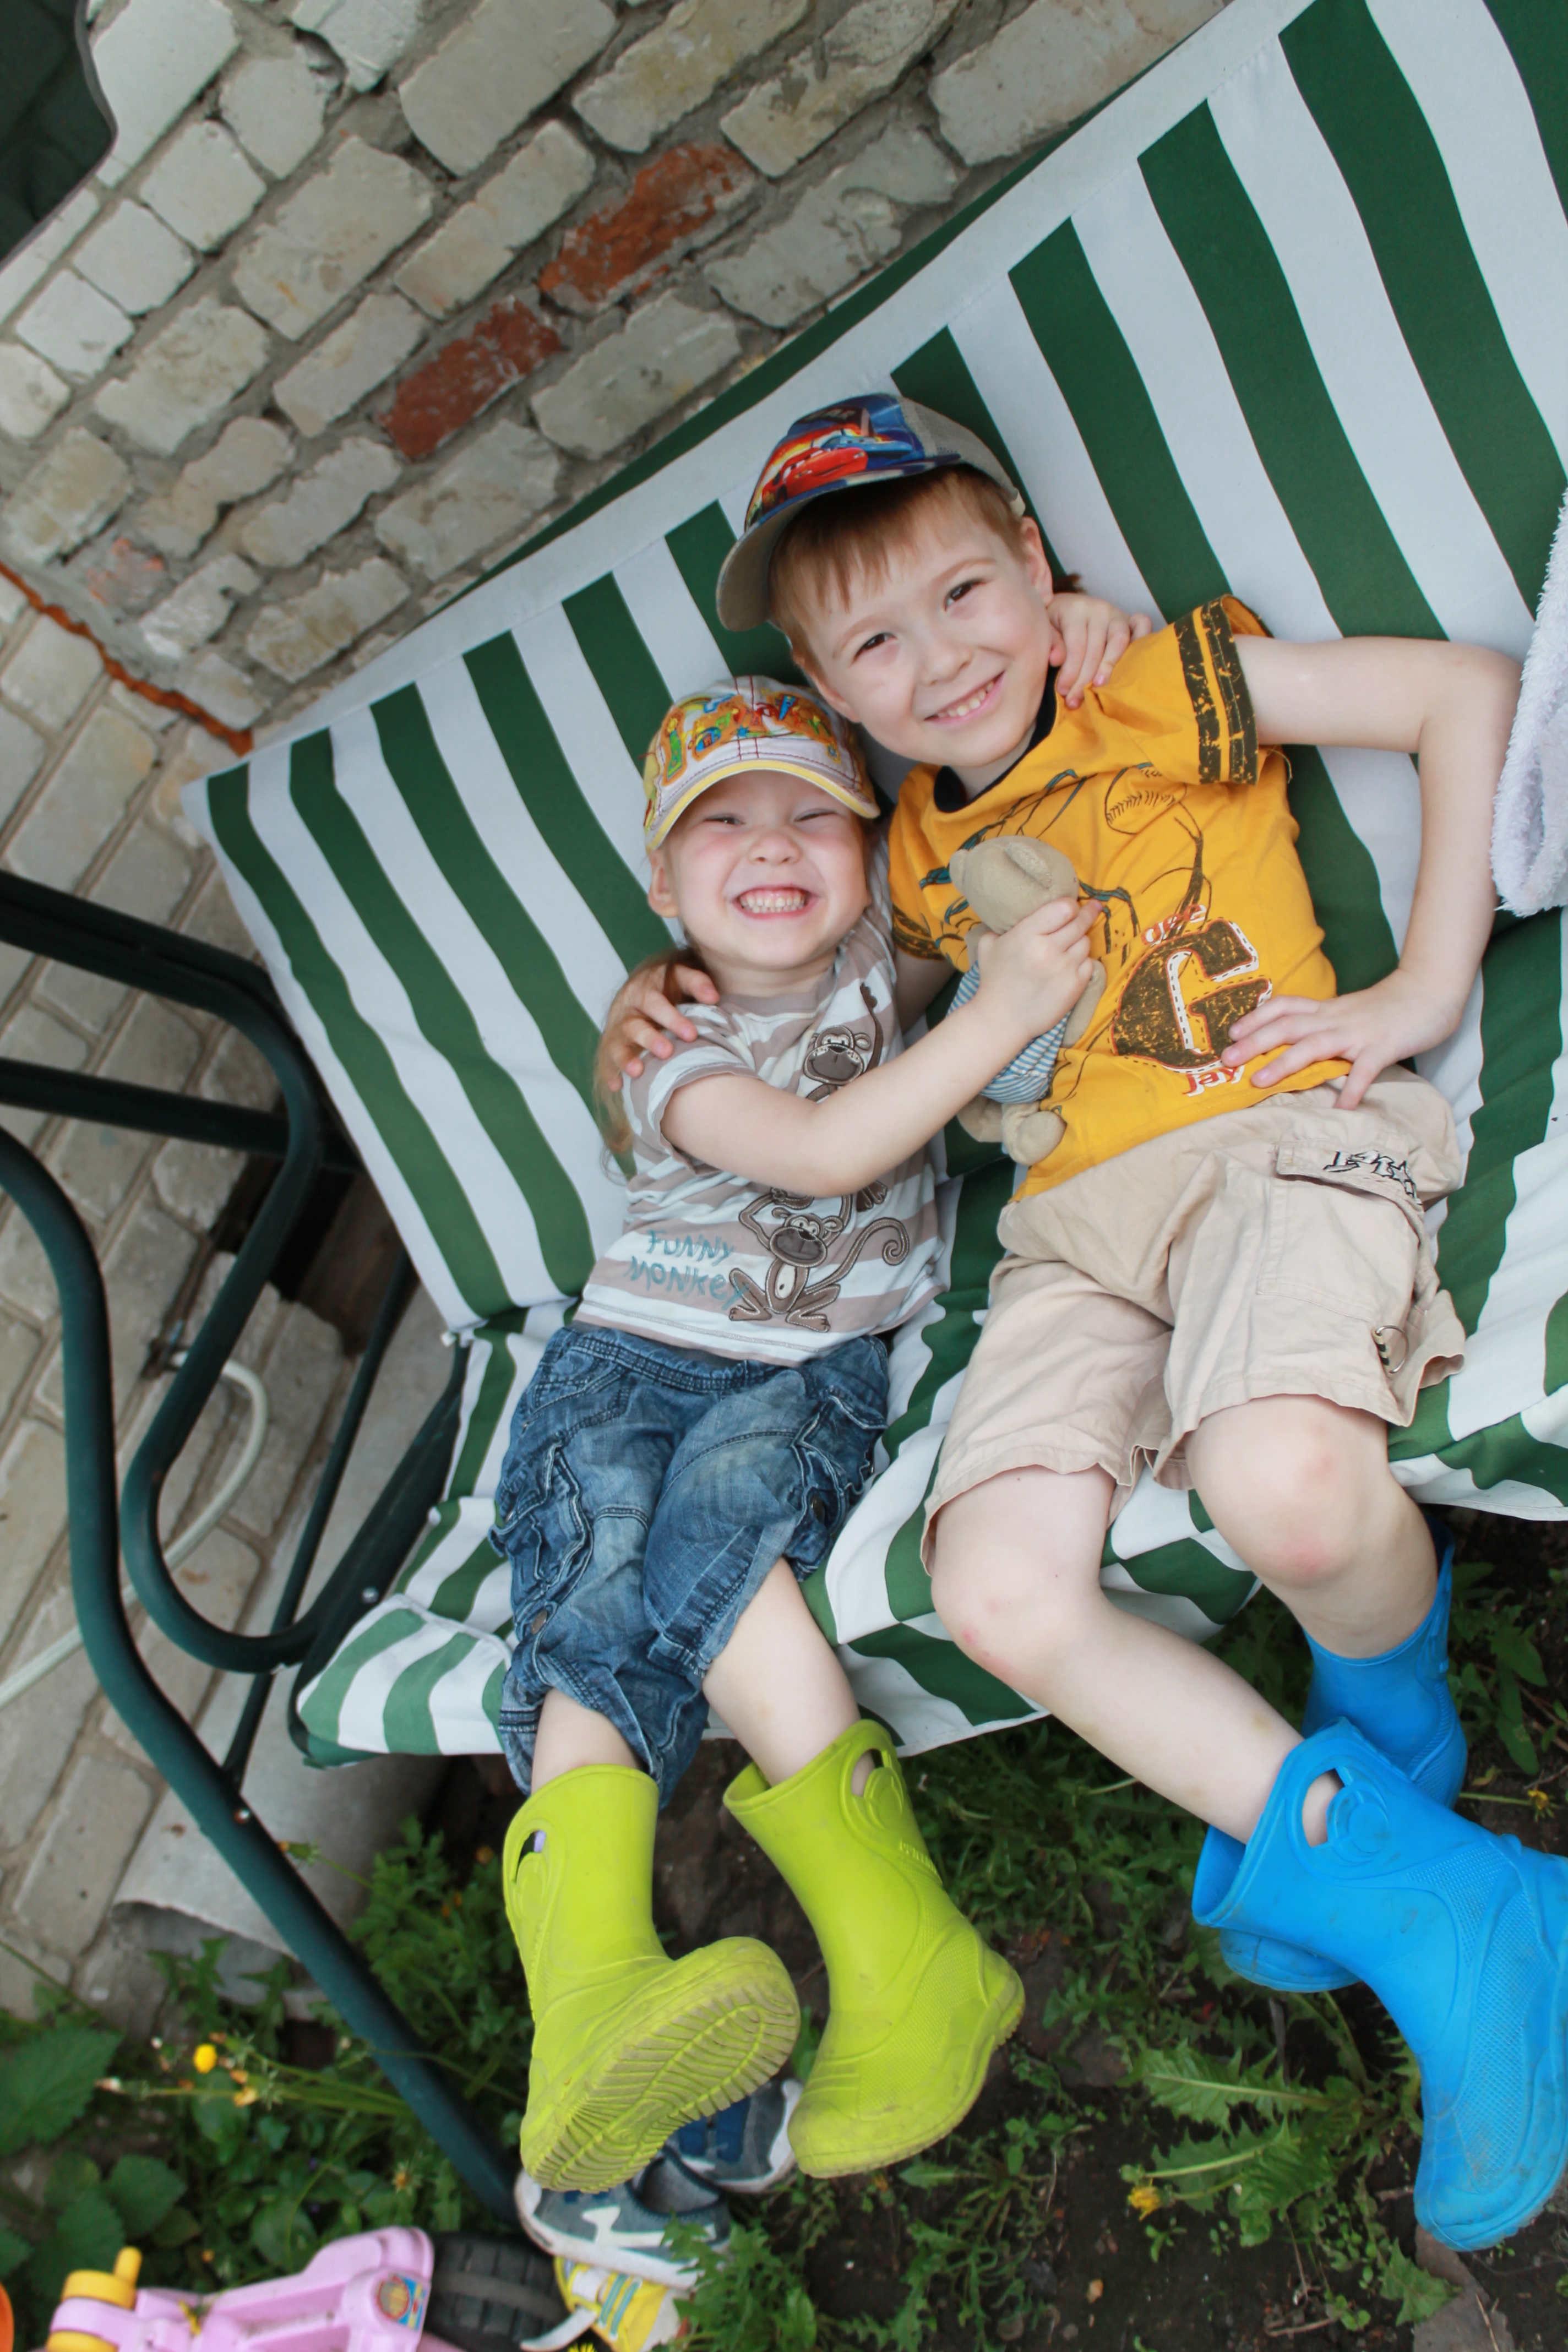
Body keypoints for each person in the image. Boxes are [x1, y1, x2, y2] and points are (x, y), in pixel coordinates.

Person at [608, 393, 1568, 2254]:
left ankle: (1391, 1730)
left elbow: (1461, 695)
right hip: (1071, 1240)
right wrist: (652, 1005)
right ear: (833, 694)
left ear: (1039, 567)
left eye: (968, 595)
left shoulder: (1159, 681)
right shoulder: (901, 857)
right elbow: (811, 992)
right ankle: (1459, 1905)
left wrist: (1423, 985)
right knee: (996, 1587)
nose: (941, 660)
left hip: (1278, 1138)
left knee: (1288, 1489)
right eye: (876, 646)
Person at [495, 674, 1102, 2198]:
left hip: (806, 1366)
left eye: (811, 816)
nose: (772, 844)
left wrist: (998, 980)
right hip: (625, 1361)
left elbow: (1002, 830)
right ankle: (591, 1999)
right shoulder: (671, 1042)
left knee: (719, 1552)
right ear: (664, 888)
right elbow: (827, 1152)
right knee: (593, 1599)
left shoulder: (894, 958)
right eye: (724, 824)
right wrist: (1004, 1014)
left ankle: (906, 1961)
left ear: (869, 850)